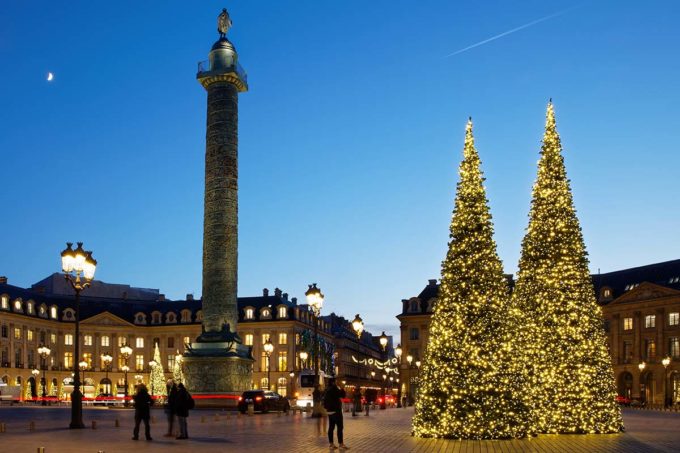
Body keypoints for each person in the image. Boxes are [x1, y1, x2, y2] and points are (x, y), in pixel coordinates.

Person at [323, 378, 349, 450]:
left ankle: (331, 444)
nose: (337, 383)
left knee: (331, 427)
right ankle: (341, 444)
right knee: (340, 427)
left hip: (329, 411)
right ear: (333, 382)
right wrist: (342, 387)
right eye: (336, 381)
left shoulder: (327, 389)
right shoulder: (334, 388)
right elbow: (342, 395)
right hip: (336, 411)